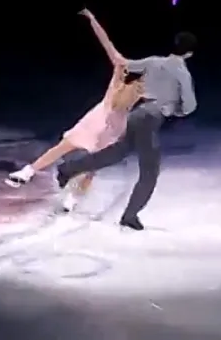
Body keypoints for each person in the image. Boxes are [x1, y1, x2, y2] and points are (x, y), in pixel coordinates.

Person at [56, 30, 198, 230]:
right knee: (149, 171)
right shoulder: (182, 72)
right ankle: (130, 216)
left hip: (136, 114)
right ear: (190, 53)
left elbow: (124, 63)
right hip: (150, 119)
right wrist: (176, 110)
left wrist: (112, 50)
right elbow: (190, 105)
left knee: (116, 154)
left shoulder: (153, 61)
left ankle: (67, 169)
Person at [5, 9, 143, 212]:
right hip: (98, 117)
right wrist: (93, 19)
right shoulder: (121, 69)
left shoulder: (146, 85)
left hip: (115, 125)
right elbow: (106, 43)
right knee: (64, 146)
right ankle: (27, 172)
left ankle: (74, 197)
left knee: (91, 167)